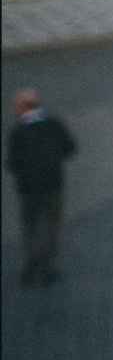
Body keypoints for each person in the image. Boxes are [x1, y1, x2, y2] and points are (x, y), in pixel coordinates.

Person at [6, 89, 78, 286]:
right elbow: (70, 148)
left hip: (28, 188)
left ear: (23, 108)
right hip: (53, 183)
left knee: (30, 225)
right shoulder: (54, 123)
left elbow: (12, 163)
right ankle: (49, 266)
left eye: (15, 107)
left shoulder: (18, 131)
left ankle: (33, 259)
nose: (13, 110)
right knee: (52, 224)